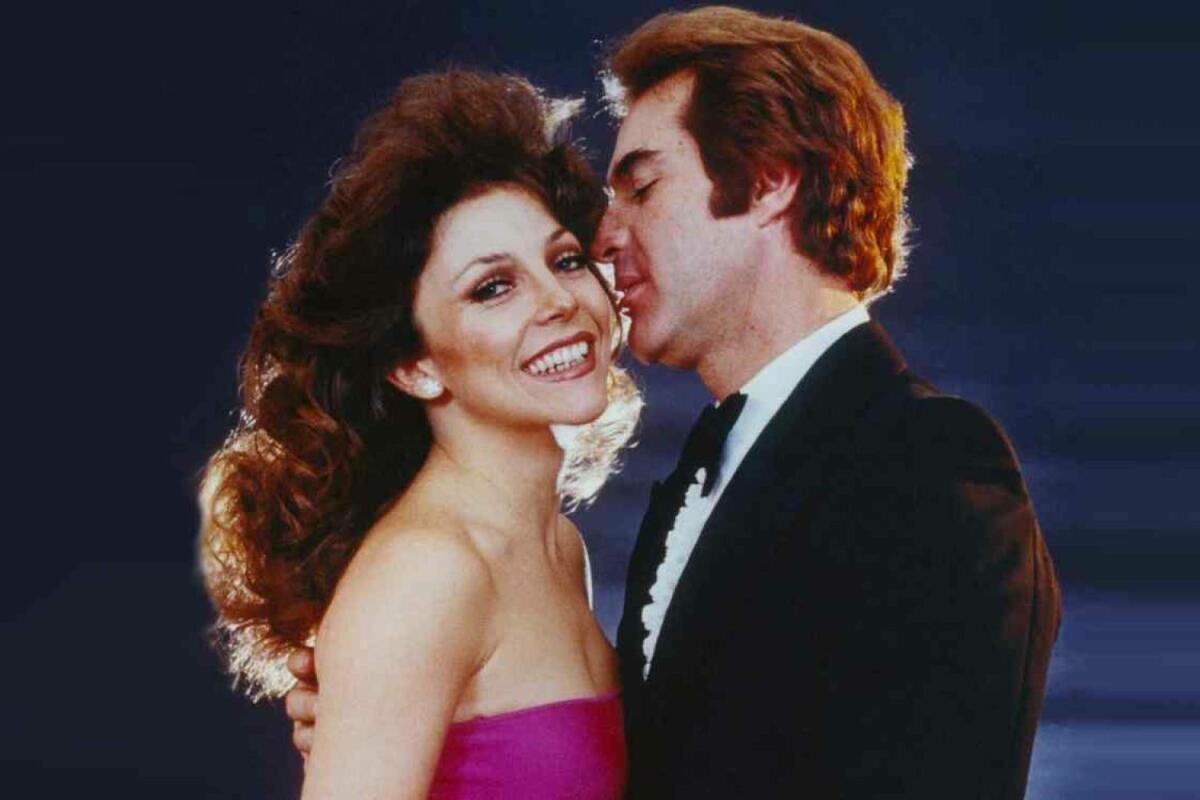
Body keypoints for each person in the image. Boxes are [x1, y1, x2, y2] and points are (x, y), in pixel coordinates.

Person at [286, 7, 1061, 798]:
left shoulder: (931, 467)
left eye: (642, 187)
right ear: (412, 363)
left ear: (769, 181)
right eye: (493, 286)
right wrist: (396, 715)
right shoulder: (686, 487)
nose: (602, 239)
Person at [200, 70, 642, 799]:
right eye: (493, 288)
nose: (559, 299)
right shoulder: (426, 574)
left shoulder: (559, 547)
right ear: (414, 365)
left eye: (565, 260)